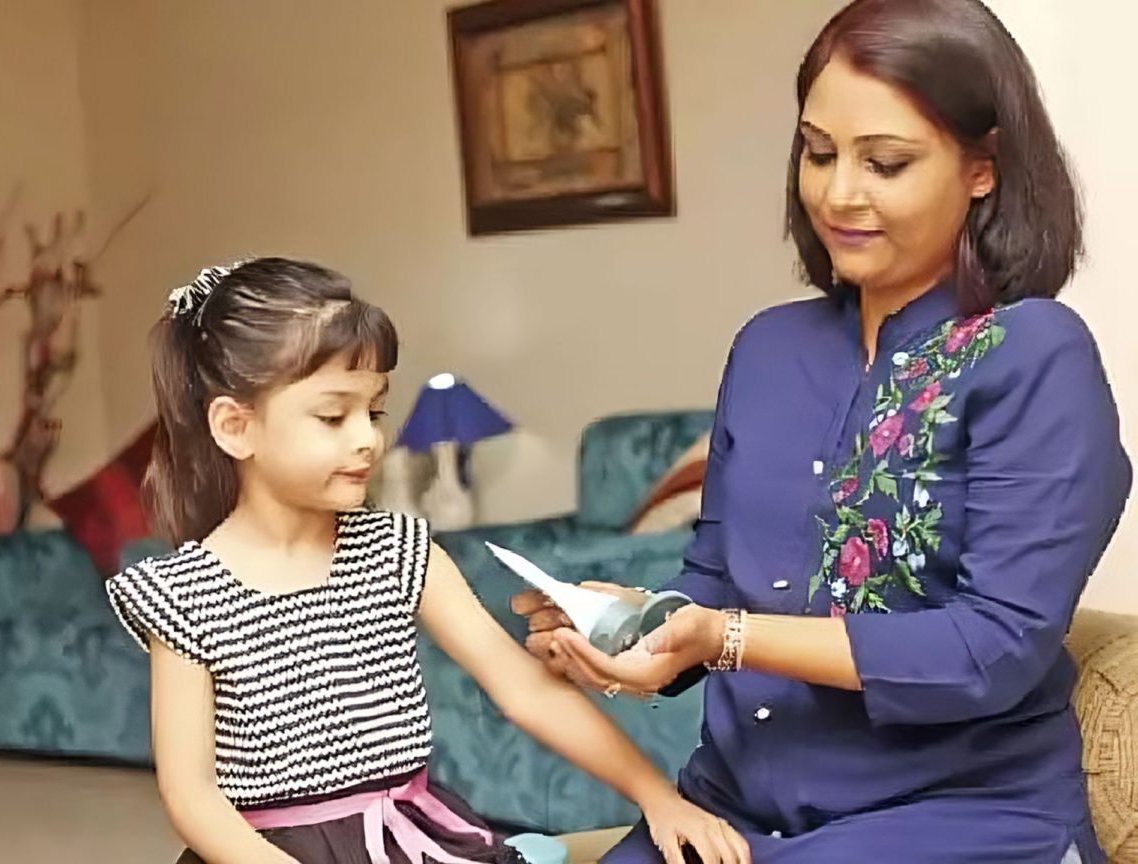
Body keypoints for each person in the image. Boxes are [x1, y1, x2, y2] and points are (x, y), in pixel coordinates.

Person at [516, 1, 1130, 861]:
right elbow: (712, 579)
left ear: (983, 168)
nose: (839, 194)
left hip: (948, 819)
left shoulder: (1032, 355)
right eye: (818, 152)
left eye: (885, 163)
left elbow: (992, 649)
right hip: (729, 811)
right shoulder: (769, 348)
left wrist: (726, 637)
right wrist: (638, 627)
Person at [107, 258, 749, 864]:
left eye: (374, 410)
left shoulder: (398, 550)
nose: (368, 438)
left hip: (412, 842)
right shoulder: (181, 595)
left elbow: (526, 689)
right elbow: (192, 797)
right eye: (332, 416)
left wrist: (656, 796)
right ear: (235, 427)